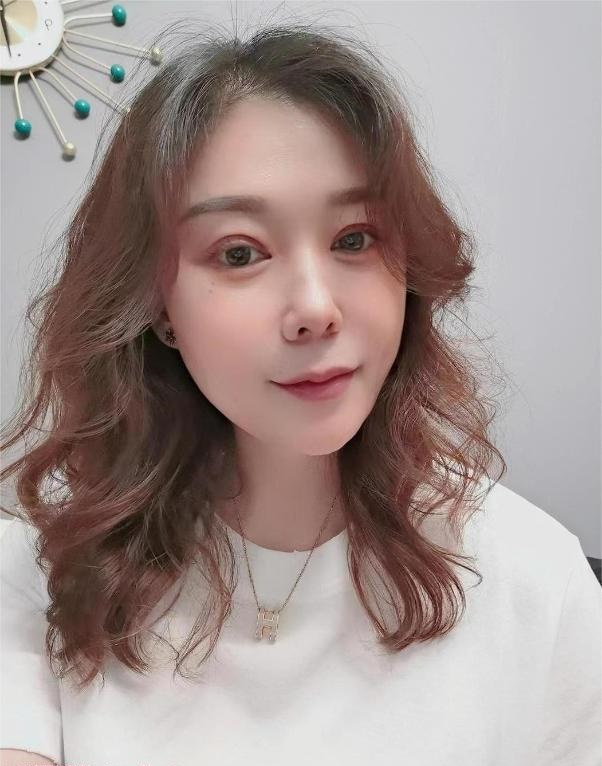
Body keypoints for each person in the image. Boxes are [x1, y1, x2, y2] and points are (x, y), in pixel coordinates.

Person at [1, 19, 600, 766]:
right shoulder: (43, 571)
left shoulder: (535, 583)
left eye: (355, 239)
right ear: (157, 307)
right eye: (240, 253)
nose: (316, 308)